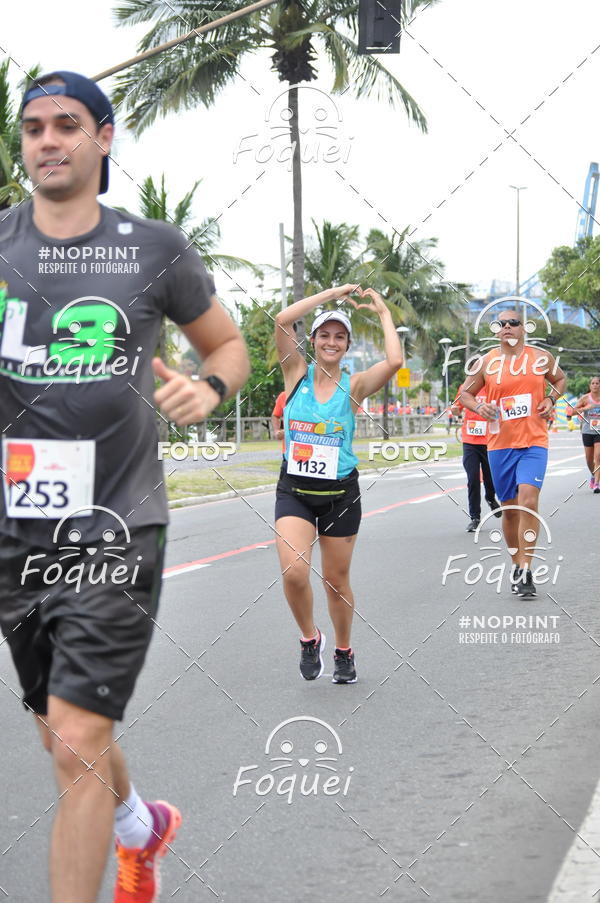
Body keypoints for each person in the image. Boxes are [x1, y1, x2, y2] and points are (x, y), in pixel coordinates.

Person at [0, 72, 249, 903]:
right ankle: (143, 826)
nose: (47, 140)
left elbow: (228, 348)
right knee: (61, 732)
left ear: (105, 139)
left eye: (66, 124)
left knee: (75, 741)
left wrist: (207, 390)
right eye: (33, 127)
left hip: (117, 524)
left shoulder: (154, 249)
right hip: (17, 531)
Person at [273, 284, 403, 683]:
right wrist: (331, 294)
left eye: (339, 336)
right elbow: (281, 320)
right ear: (312, 341)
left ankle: (344, 650)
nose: (331, 342)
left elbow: (395, 361)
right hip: (294, 488)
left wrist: (382, 312)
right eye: (324, 335)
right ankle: (310, 638)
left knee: (335, 581)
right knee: (294, 572)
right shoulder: (295, 374)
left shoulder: (356, 384)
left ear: (347, 345)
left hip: (340, 494)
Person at [460, 311, 566, 598]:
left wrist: (549, 398)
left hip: (534, 440)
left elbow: (560, 379)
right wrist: (478, 407)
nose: (507, 327)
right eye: (501, 324)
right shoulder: (486, 362)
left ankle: (528, 568)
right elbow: (465, 395)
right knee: (510, 509)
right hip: (500, 444)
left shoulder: (540, 357)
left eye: (513, 323)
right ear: (496, 331)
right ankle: (516, 566)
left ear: (524, 328)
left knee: (529, 501)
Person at [451, 377, 501, 532]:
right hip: (470, 441)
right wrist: (455, 409)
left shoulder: (494, 386)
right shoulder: (465, 388)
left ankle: (491, 498)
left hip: (489, 441)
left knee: (489, 477)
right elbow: (457, 407)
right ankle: (475, 517)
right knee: (472, 478)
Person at [573, 376, 600, 492]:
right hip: (587, 431)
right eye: (593, 383)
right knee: (589, 460)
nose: (595, 385)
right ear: (590, 386)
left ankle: (597, 484)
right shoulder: (585, 398)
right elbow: (572, 411)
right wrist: (585, 408)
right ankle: (593, 475)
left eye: (597, 383)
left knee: (598, 457)